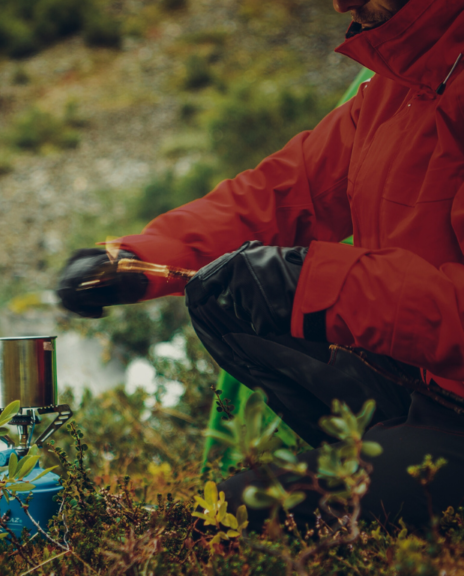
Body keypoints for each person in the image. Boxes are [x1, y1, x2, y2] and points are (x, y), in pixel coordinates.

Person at [57, 0, 464, 529]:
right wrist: (137, 260)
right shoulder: (400, 83)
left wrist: (314, 285)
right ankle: (388, 458)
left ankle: (402, 480)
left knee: (237, 514)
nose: (342, 4)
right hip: (419, 382)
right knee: (219, 297)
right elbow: (289, 189)